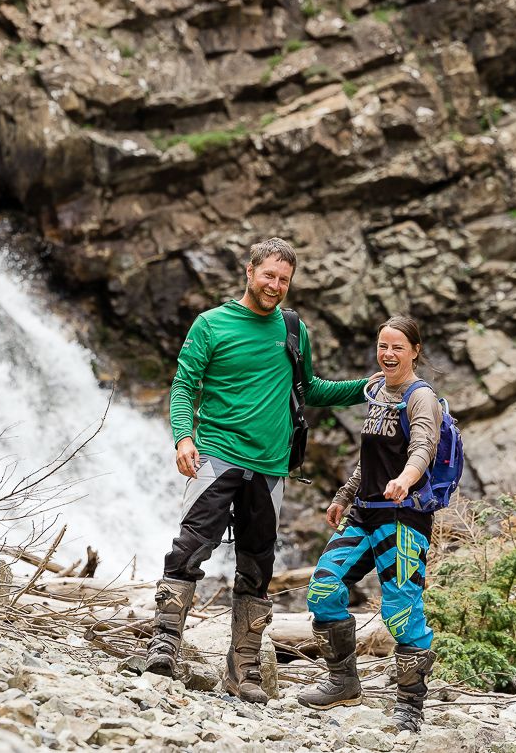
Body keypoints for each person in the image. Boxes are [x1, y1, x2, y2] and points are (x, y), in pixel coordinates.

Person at [145, 238, 372, 704]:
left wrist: (366, 388)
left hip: (269, 469)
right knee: (189, 548)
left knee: (257, 568)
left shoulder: (292, 328)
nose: (275, 285)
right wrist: (183, 437)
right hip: (216, 456)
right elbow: (185, 385)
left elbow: (310, 387)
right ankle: (165, 643)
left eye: (284, 279)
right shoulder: (211, 324)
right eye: (268, 275)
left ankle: (244, 668)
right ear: (249, 272)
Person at [298, 316, 440, 733]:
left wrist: (405, 479)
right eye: (383, 346)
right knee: (323, 588)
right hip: (364, 512)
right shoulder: (377, 391)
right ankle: (343, 682)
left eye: (397, 347)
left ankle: (410, 706)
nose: (388, 354)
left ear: (414, 351)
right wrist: (344, 495)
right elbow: (370, 458)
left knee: (401, 613)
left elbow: (423, 446)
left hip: (404, 516)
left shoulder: (421, 397)